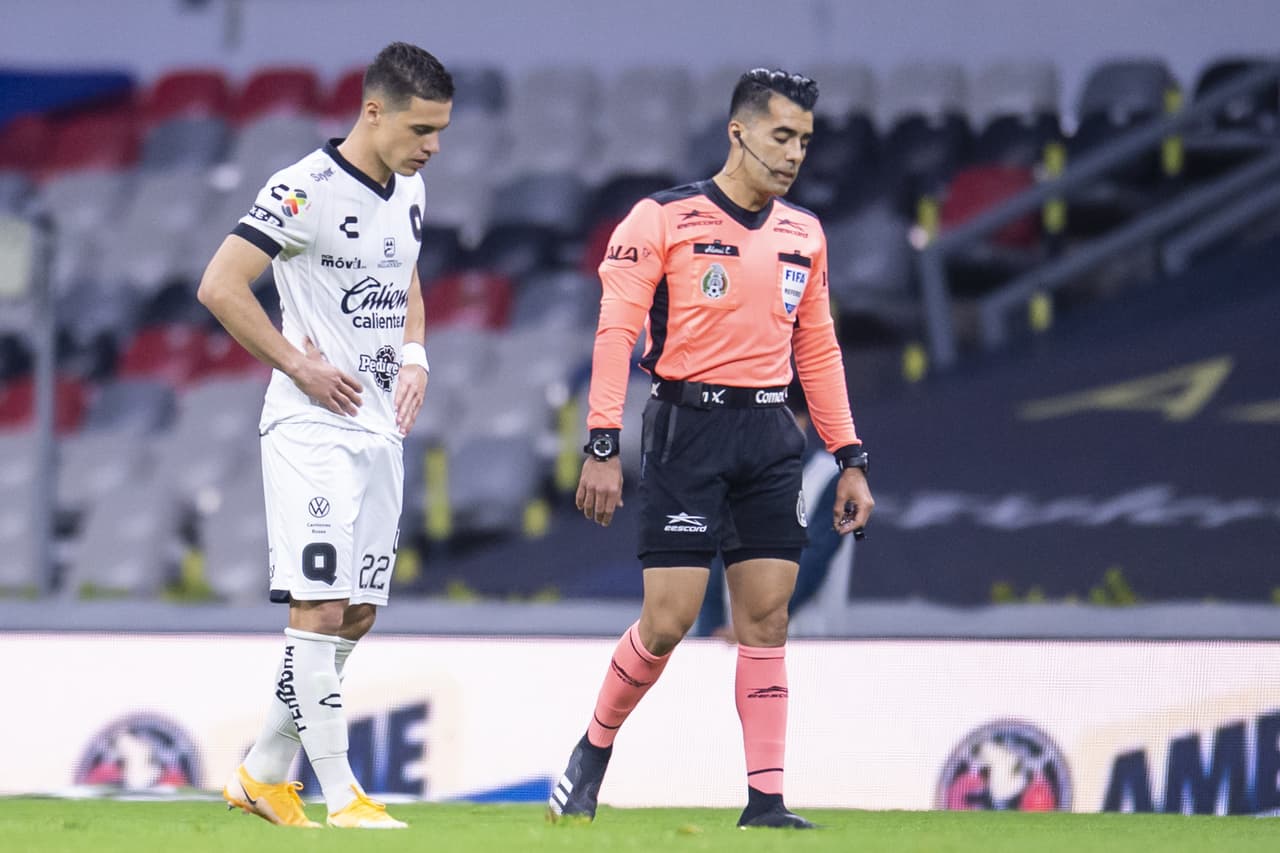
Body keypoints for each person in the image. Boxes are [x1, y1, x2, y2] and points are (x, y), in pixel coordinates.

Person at [548, 68, 874, 829]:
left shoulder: (806, 234)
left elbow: (818, 351)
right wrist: (601, 442)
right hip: (685, 429)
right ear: (739, 131)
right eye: (781, 136)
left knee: (768, 619)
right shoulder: (660, 219)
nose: (794, 155)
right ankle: (593, 750)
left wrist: (850, 454)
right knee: (668, 620)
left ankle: (765, 801)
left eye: (804, 141)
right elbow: (616, 332)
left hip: (769, 435)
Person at [197, 42, 452, 829]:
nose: (432, 146)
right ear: (372, 110)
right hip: (311, 427)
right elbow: (219, 285)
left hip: (379, 427)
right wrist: (297, 367)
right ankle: (344, 795)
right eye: (420, 128)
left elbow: (403, 271)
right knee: (320, 604)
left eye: (440, 131)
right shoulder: (302, 188)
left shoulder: (410, 186)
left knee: (357, 613)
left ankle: (262, 772)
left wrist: (414, 354)